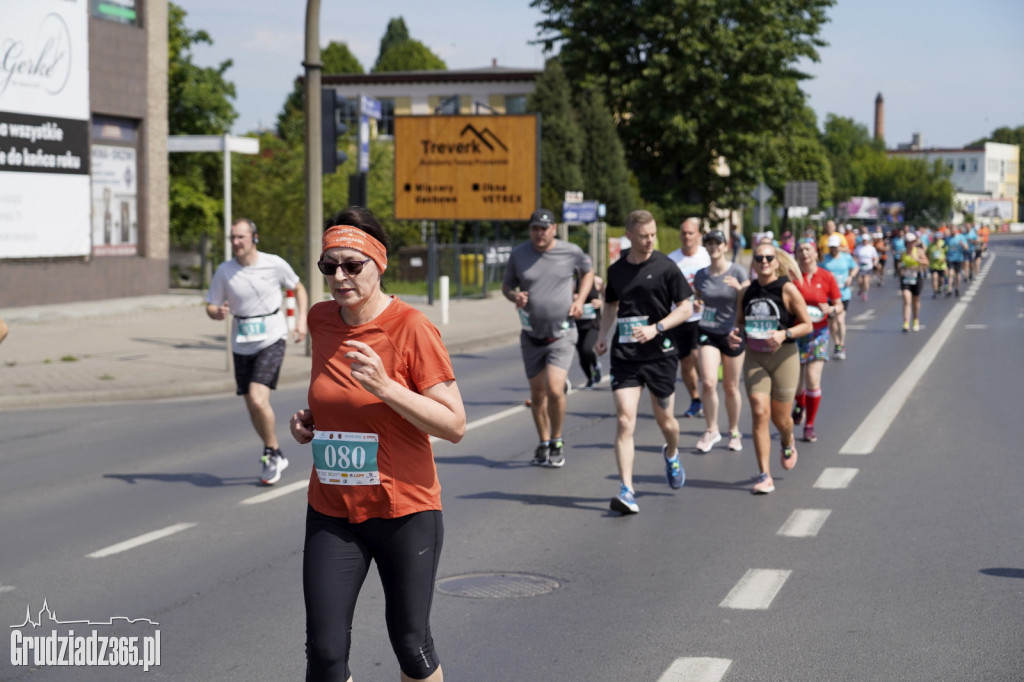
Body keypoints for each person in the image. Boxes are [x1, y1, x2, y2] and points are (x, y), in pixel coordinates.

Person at [289, 207, 466, 682]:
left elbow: (454, 425)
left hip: (404, 511)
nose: (340, 277)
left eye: (353, 265)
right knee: (324, 653)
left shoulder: (412, 328)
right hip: (332, 508)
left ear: (379, 263)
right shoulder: (321, 320)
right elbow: (334, 398)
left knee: (411, 644)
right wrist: (310, 421)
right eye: (330, 266)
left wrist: (387, 388)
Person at [596, 210, 694, 514]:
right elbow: (611, 305)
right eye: (644, 235)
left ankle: (672, 453)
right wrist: (602, 334)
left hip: (660, 354)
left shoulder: (666, 267)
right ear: (629, 235)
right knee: (625, 419)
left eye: (653, 234)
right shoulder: (616, 271)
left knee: (667, 422)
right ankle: (627, 489)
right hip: (625, 355)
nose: (650, 239)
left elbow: (686, 308)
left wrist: (657, 327)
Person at [206, 218, 309, 485]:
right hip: (241, 341)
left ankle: (271, 451)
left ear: (254, 238)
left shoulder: (273, 263)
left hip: (272, 336)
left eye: (241, 237)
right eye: (232, 238)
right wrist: (216, 312)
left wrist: (301, 320)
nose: (236, 243)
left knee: (256, 397)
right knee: (252, 405)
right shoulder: (224, 271)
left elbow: (298, 288)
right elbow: (211, 305)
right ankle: (273, 450)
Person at [502, 208, 594, 468]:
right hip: (531, 334)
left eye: (544, 228)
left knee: (554, 388)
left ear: (554, 228)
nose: (539, 233)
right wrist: (514, 296)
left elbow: (587, 271)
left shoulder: (570, 251)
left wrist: (581, 298)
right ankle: (543, 442)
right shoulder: (519, 254)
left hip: (562, 333)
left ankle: (557, 438)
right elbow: (507, 286)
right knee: (537, 393)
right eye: (535, 228)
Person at [728, 242, 812, 494]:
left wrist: (784, 334)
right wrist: (735, 333)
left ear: (776, 262)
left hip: (784, 356)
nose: (764, 262)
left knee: (780, 417)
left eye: (768, 258)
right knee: (759, 411)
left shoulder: (787, 289)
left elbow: (806, 324)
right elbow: (740, 323)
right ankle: (765, 474)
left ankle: (787, 442)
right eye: (759, 258)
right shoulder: (746, 292)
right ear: (753, 262)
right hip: (755, 356)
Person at [691, 230, 748, 453]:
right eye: (709, 243)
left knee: (731, 387)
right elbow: (698, 296)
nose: (713, 247)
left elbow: (749, 299)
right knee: (708, 381)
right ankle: (711, 429)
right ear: (705, 247)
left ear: (726, 246)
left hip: (732, 332)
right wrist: (697, 304)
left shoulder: (737, 271)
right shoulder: (701, 275)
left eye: (717, 243)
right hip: (708, 331)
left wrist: (741, 289)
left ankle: (734, 431)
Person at [790, 240, 842, 443]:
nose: (804, 253)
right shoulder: (792, 277)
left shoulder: (826, 276)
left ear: (815, 253)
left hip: (818, 333)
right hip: (795, 332)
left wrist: (831, 310)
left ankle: (809, 425)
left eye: (807, 249)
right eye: (800, 250)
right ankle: (800, 403)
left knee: (812, 379)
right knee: (795, 382)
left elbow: (839, 305)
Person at [666, 217, 710, 419]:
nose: (686, 237)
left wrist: (704, 298)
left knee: (697, 357)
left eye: (690, 233)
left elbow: (716, 281)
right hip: (679, 317)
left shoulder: (706, 256)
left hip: (703, 316)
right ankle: (695, 399)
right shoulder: (672, 259)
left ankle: (707, 390)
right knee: (685, 363)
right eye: (683, 233)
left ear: (698, 235)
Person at [821, 235, 856, 360]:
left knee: (840, 320)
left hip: (843, 294)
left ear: (839, 246)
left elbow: (855, 267)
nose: (833, 249)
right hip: (829, 296)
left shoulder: (846, 258)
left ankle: (841, 345)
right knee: (832, 323)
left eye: (835, 246)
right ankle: (837, 344)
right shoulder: (824, 260)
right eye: (831, 247)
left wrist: (851, 277)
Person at [575, 275, 604, 388]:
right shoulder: (574, 282)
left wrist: (600, 302)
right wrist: (575, 298)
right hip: (579, 323)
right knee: (581, 354)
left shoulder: (597, 281)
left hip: (593, 322)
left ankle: (596, 365)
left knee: (587, 348)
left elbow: (609, 298)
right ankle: (589, 378)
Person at [898, 232, 929, 332]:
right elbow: (900, 263)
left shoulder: (919, 251)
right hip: (906, 277)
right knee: (906, 298)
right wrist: (902, 267)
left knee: (916, 300)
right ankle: (906, 322)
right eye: (908, 242)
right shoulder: (903, 253)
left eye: (912, 242)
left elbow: (927, 262)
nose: (910, 244)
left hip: (916, 277)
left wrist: (918, 260)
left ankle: (915, 319)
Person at [944, 226, 969, 297]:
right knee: (950, 273)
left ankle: (957, 287)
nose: (952, 232)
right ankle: (949, 289)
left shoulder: (961, 237)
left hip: (959, 259)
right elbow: (943, 247)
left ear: (956, 231)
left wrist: (963, 245)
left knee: (958, 274)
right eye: (951, 231)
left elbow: (966, 247)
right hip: (950, 258)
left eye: (953, 231)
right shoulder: (948, 238)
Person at [852, 234, 879, 301]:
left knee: (866, 281)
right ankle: (861, 290)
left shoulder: (871, 248)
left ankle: (865, 293)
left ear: (868, 240)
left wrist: (875, 263)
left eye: (866, 240)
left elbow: (876, 257)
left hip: (868, 266)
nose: (865, 241)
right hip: (860, 266)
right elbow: (855, 256)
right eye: (864, 240)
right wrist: (855, 263)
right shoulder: (858, 248)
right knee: (860, 282)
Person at [926, 231, 948, 298]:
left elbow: (947, 253)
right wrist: (928, 260)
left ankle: (940, 286)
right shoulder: (930, 245)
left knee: (941, 279)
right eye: (935, 238)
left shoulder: (943, 244)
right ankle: (935, 292)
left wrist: (944, 259)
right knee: (934, 277)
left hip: (941, 265)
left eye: (938, 238)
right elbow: (927, 253)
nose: (936, 239)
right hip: (933, 265)